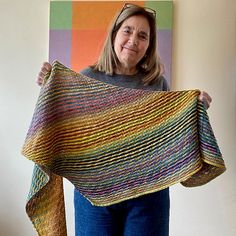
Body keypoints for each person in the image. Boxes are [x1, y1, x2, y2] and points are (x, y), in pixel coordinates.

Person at [36, 3, 212, 236]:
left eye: (142, 35)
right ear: (115, 34)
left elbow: (169, 135)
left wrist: (195, 107)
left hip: (148, 195)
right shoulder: (88, 80)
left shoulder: (157, 84)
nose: (133, 40)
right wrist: (50, 87)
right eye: (127, 31)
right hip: (95, 194)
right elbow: (65, 127)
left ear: (149, 45)